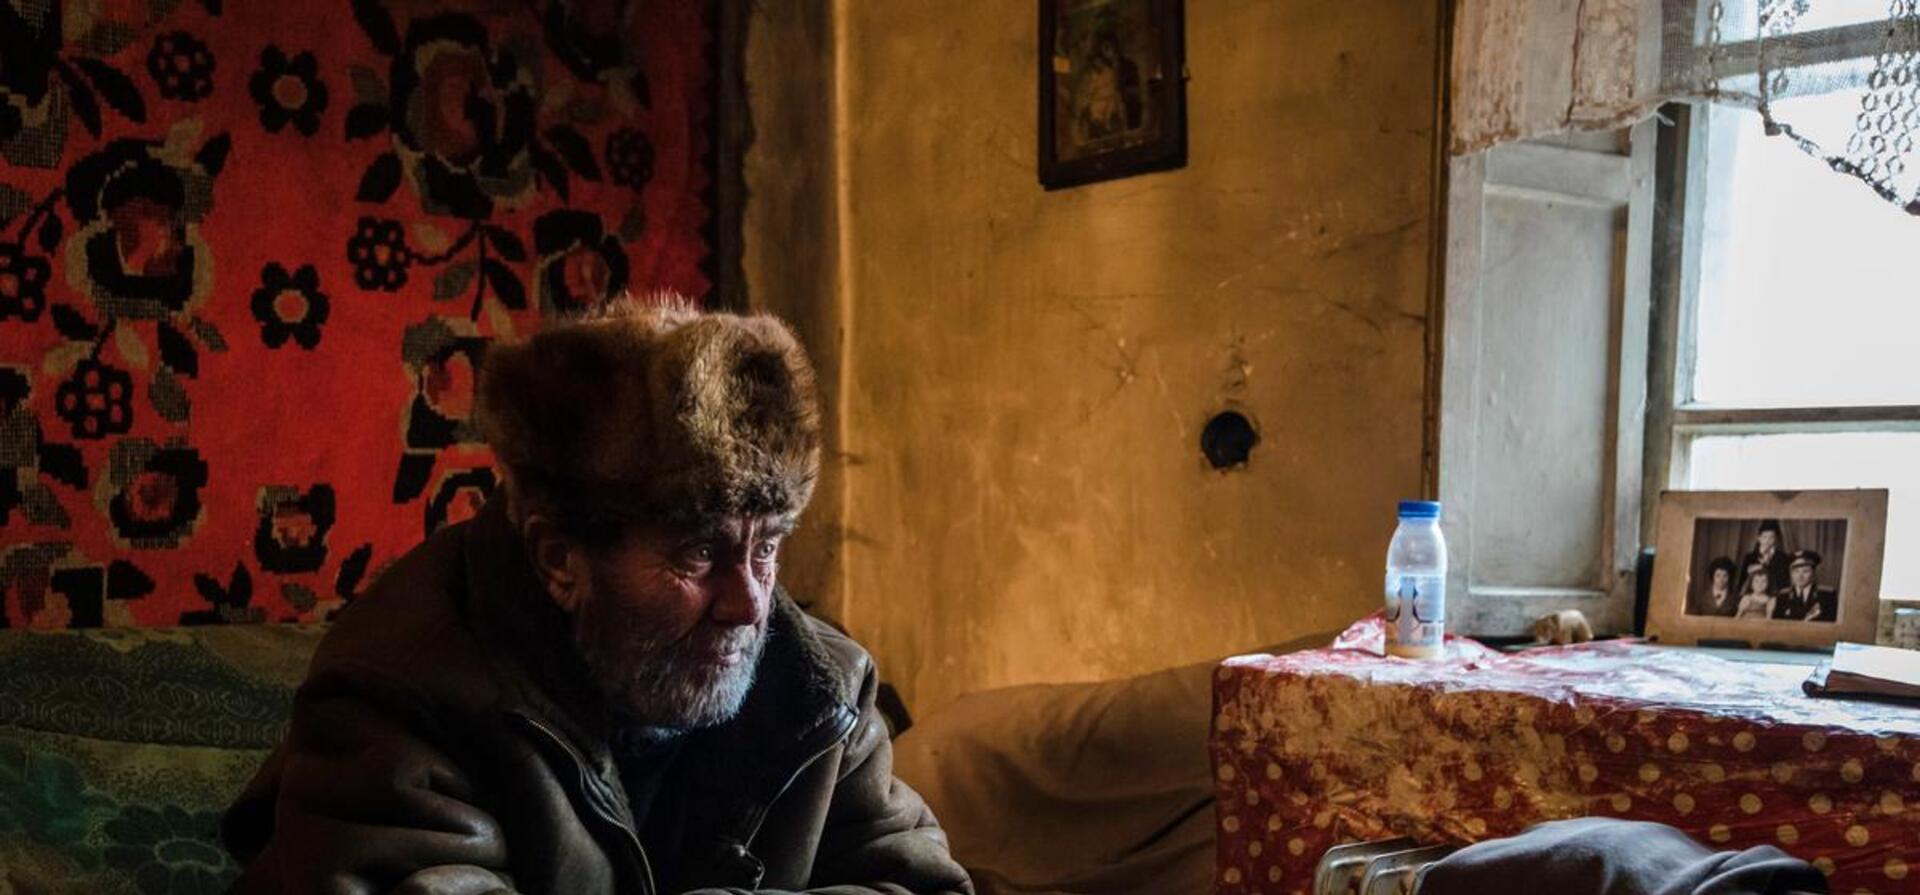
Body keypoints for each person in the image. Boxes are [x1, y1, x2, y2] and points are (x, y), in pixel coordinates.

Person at [221, 299, 972, 894]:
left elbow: (918, 884)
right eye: (700, 552)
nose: (749, 605)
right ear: (560, 558)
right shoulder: (398, 690)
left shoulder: (821, 689)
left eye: (768, 547)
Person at [1775, 549, 1840, 623]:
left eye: (1805, 571)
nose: (1800, 576)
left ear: (1813, 574)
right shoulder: (1783, 596)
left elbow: (1832, 625)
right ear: (1791, 574)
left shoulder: (1827, 596)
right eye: (1796, 571)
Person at [1739, 520, 1791, 601]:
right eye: (1765, 537)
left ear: (1775, 539)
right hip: (1754, 598)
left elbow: (1785, 582)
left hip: (1776, 597)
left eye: (1771, 537)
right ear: (1758, 538)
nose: (1768, 541)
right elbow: (1742, 580)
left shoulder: (1783, 557)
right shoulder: (1750, 557)